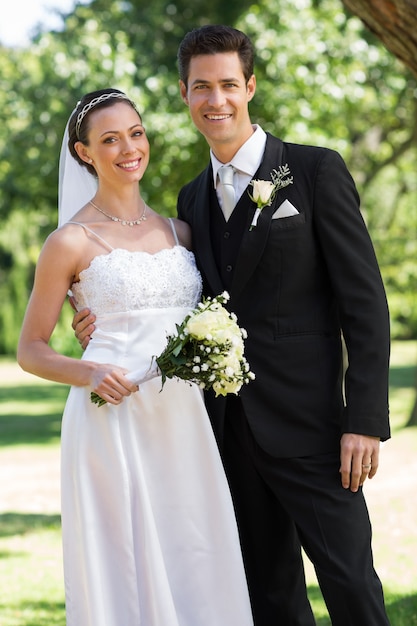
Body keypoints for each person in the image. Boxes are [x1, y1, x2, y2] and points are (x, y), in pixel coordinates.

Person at [73, 26, 392, 626]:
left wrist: (365, 421)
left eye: (227, 84)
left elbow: (366, 305)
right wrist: (99, 319)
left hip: (317, 430)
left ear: (249, 87)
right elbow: (175, 300)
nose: (215, 99)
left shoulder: (315, 171)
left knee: (350, 582)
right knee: (268, 595)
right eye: (201, 87)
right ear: (185, 94)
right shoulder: (189, 200)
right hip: (225, 433)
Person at [17, 88, 254, 626]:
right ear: (84, 153)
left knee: (194, 541)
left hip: (183, 418)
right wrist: (91, 370)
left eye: (136, 133)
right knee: (124, 554)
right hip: (112, 416)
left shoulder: (181, 231)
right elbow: (30, 350)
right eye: (109, 139)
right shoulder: (69, 241)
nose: (129, 148)